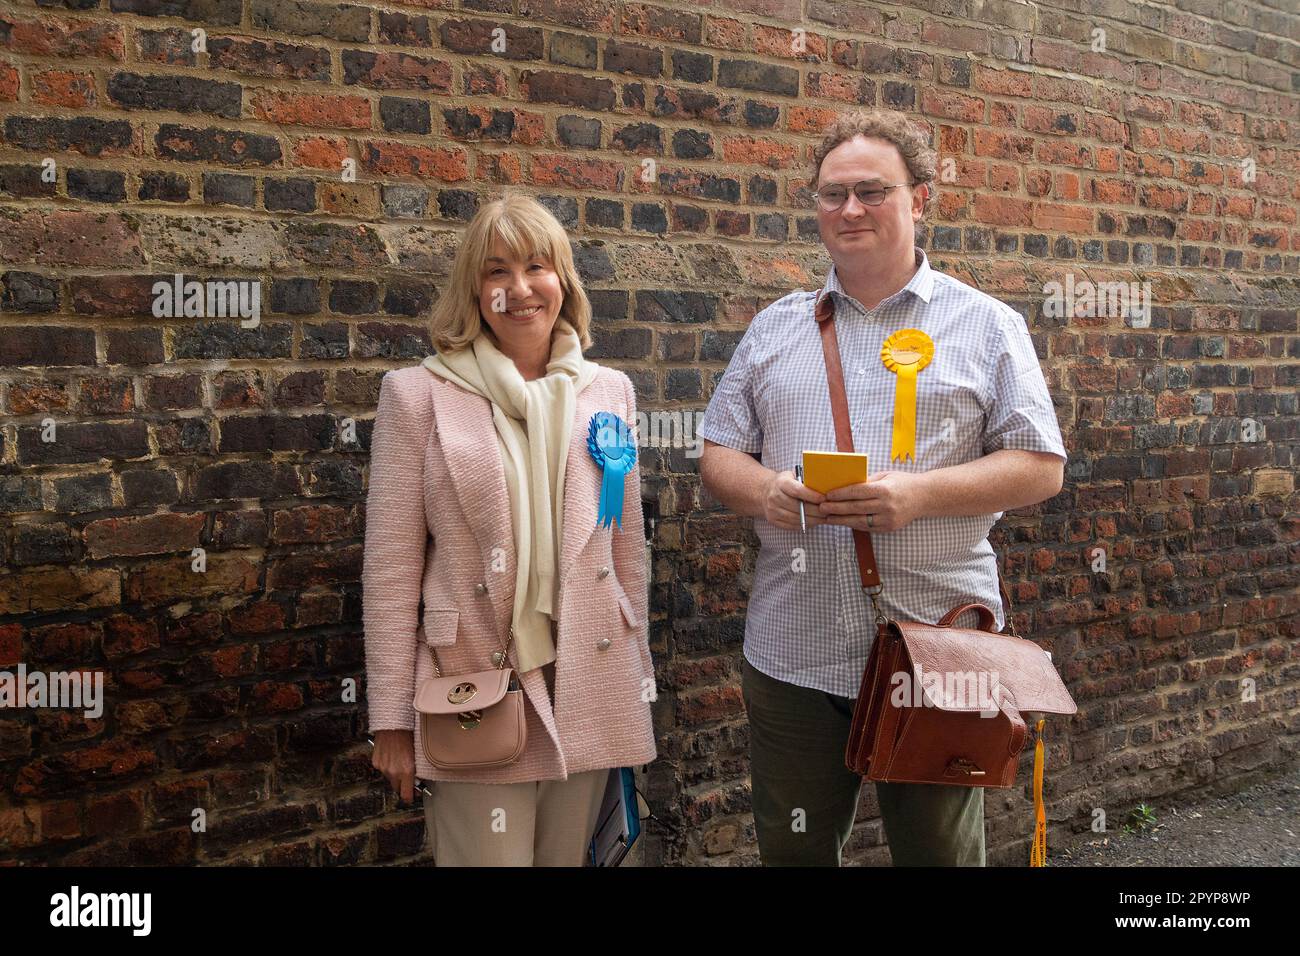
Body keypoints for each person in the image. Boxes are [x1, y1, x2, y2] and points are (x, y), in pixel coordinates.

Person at [697, 109, 1068, 866]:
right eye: (832, 195)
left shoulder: (988, 325)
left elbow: (1041, 464)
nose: (850, 210)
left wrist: (920, 495)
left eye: (872, 190)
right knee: (794, 851)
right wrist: (766, 491)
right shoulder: (775, 327)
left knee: (937, 854)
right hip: (794, 648)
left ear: (920, 198)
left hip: (935, 648)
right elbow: (717, 455)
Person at [363, 193, 655, 866]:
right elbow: (390, 569)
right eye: (497, 272)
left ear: (563, 281)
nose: (520, 289)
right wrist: (390, 720)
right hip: (473, 685)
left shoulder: (609, 391)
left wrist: (633, 684)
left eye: (536, 266)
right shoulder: (418, 394)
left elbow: (626, 551)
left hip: (585, 675)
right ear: (475, 290)